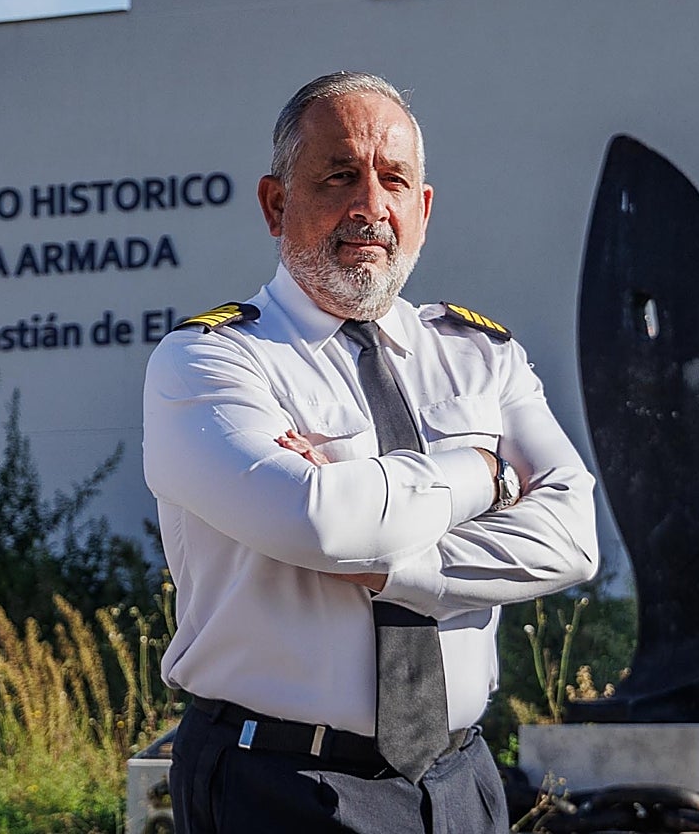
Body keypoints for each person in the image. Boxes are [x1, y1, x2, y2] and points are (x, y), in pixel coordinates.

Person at [142, 71, 599, 834]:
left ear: (422, 211)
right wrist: (486, 474)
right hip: (278, 785)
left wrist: (396, 563)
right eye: (339, 176)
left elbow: (575, 539)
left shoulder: (481, 356)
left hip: (461, 781)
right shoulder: (210, 362)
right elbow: (319, 523)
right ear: (275, 202)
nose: (370, 207)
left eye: (394, 181)